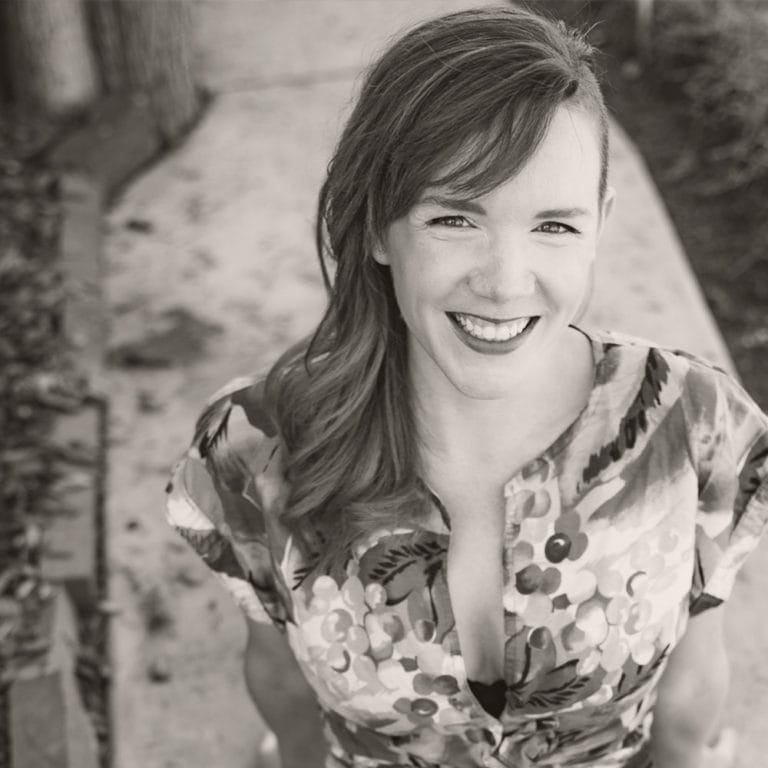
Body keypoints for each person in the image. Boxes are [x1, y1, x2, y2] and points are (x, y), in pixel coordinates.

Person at [164, 6, 768, 768]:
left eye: (554, 226)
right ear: (378, 225)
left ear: (600, 225)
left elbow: (691, 687)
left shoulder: (696, 425)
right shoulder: (252, 449)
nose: (505, 283)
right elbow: (281, 682)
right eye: (455, 218)